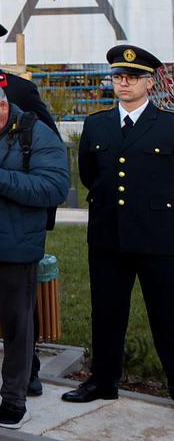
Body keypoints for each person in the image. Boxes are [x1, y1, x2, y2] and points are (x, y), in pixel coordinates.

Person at [0, 77, 69, 427]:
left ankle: (14, 401)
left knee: (17, 330)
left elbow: (54, 189)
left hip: (16, 248)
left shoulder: (37, 134)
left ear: (3, 104)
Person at [65, 45, 174, 403]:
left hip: (158, 238)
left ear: (150, 82)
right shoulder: (97, 124)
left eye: (132, 77)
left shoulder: (169, 124)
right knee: (107, 312)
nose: (123, 83)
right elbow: (89, 175)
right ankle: (103, 381)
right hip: (108, 235)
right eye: (117, 76)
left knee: (166, 314)